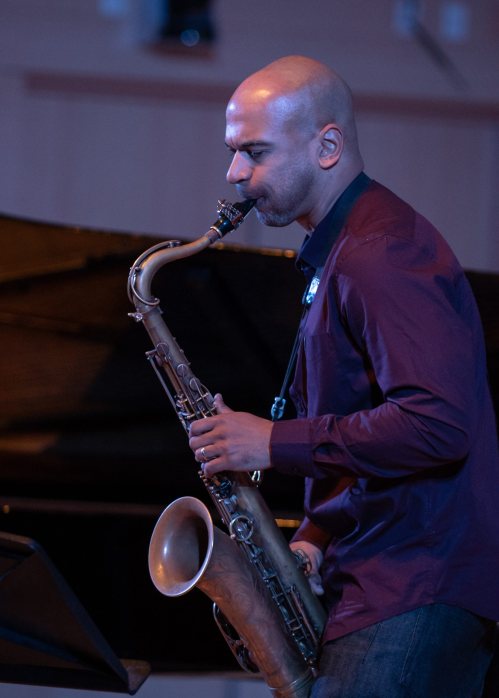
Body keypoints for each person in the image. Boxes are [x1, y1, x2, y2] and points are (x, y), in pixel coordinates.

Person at [188, 55, 499, 697]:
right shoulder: (342, 251)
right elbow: (369, 424)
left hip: (413, 587)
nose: (235, 173)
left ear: (327, 147)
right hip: (388, 583)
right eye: (233, 152)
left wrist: (271, 441)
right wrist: (316, 538)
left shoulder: (380, 254)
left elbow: (436, 425)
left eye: (255, 152)